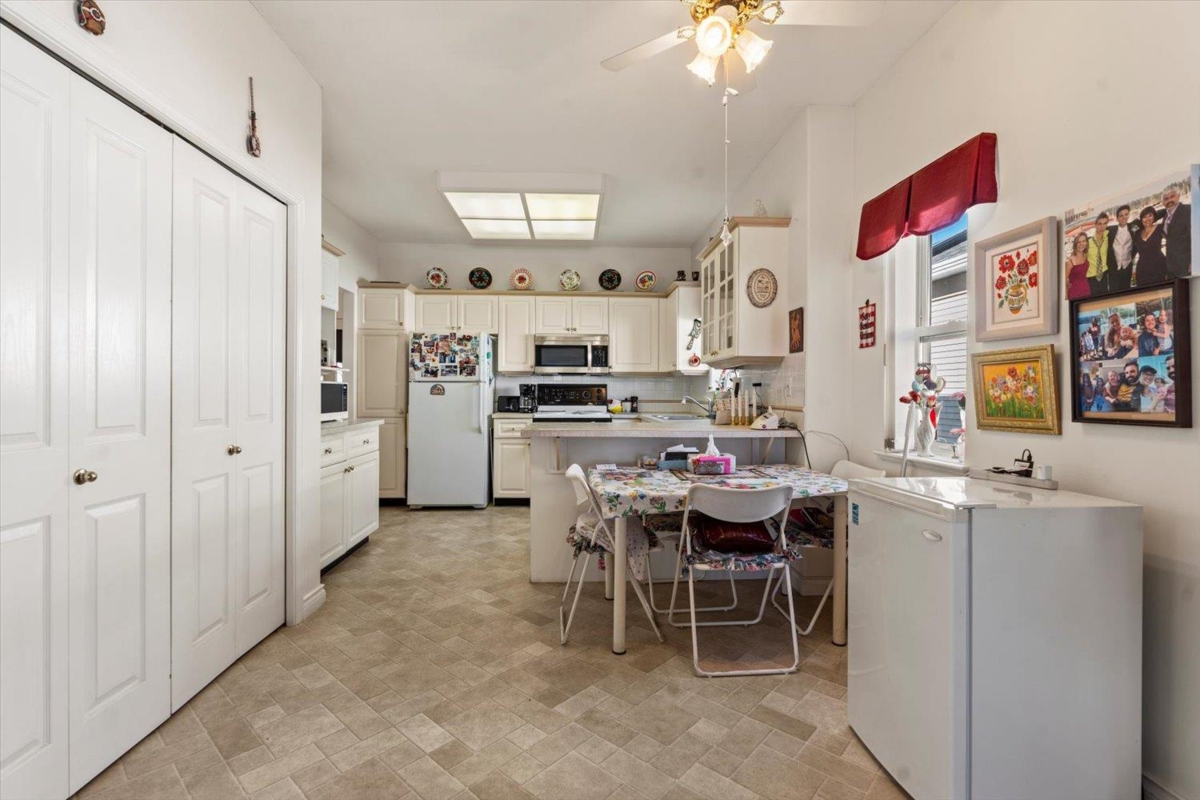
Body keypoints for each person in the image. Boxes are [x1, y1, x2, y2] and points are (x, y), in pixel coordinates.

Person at [1133, 205, 1169, 286]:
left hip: (1159, 267)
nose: (1148, 219)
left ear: (1154, 217)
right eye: (1145, 217)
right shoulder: (1137, 233)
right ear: (1141, 219)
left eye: (1150, 216)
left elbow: (1166, 211)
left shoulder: (1160, 228)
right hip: (1142, 270)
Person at [1162, 186, 1192, 279]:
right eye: (1166, 199)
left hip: (1187, 265)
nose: (1169, 200)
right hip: (1172, 267)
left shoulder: (1188, 210)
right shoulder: (1165, 217)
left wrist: (1194, 261)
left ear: (1178, 196)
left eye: (1172, 196)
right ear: (1163, 202)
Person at [1107, 205, 1139, 291]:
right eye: (1121, 215)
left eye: (1126, 214)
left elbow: (1148, 217)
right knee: (1114, 291)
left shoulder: (1133, 227)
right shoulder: (1111, 230)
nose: (1124, 217)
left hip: (1127, 266)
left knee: (1126, 290)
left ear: (1128, 215)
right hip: (1114, 268)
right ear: (1117, 218)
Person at [1086, 212, 1110, 295]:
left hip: (1104, 274)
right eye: (1100, 224)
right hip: (1091, 277)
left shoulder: (1108, 238)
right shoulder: (1088, 242)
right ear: (1095, 225)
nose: (1102, 227)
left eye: (1105, 223)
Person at [1066, 232, 1091, 298]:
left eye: (1083, 241)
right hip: (1074, 292)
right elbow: (1064, 280)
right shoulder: (1070, 261)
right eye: (1079, 242)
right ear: (1075, 244)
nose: (1081, 244)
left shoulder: (1086, 255)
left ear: (1086, 242)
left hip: (1086, 290)